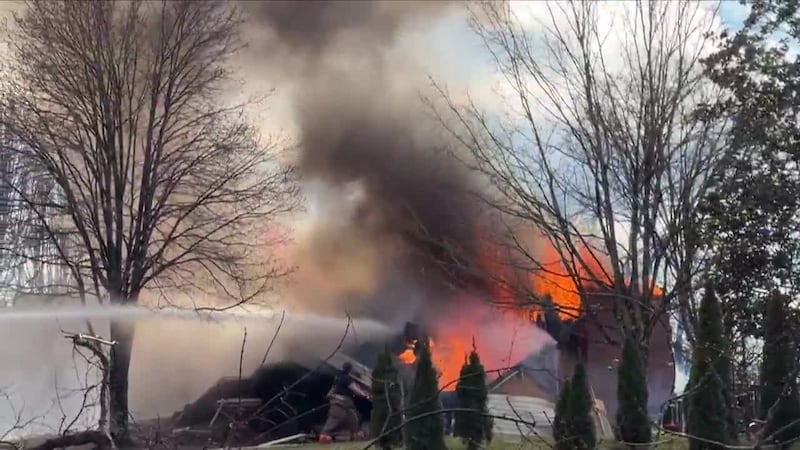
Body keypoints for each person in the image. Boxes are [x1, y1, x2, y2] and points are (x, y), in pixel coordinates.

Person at [319, 362, 369, 443]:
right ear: (350, 369)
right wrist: (365, 395)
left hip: (347, 406)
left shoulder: (338, 377)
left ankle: (358, 438)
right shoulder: (347, 379)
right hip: (339, 404)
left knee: (354, 422)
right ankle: (324, 438)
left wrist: (329, 396)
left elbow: (333, 388)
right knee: (333, 421)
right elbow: (355, 389)